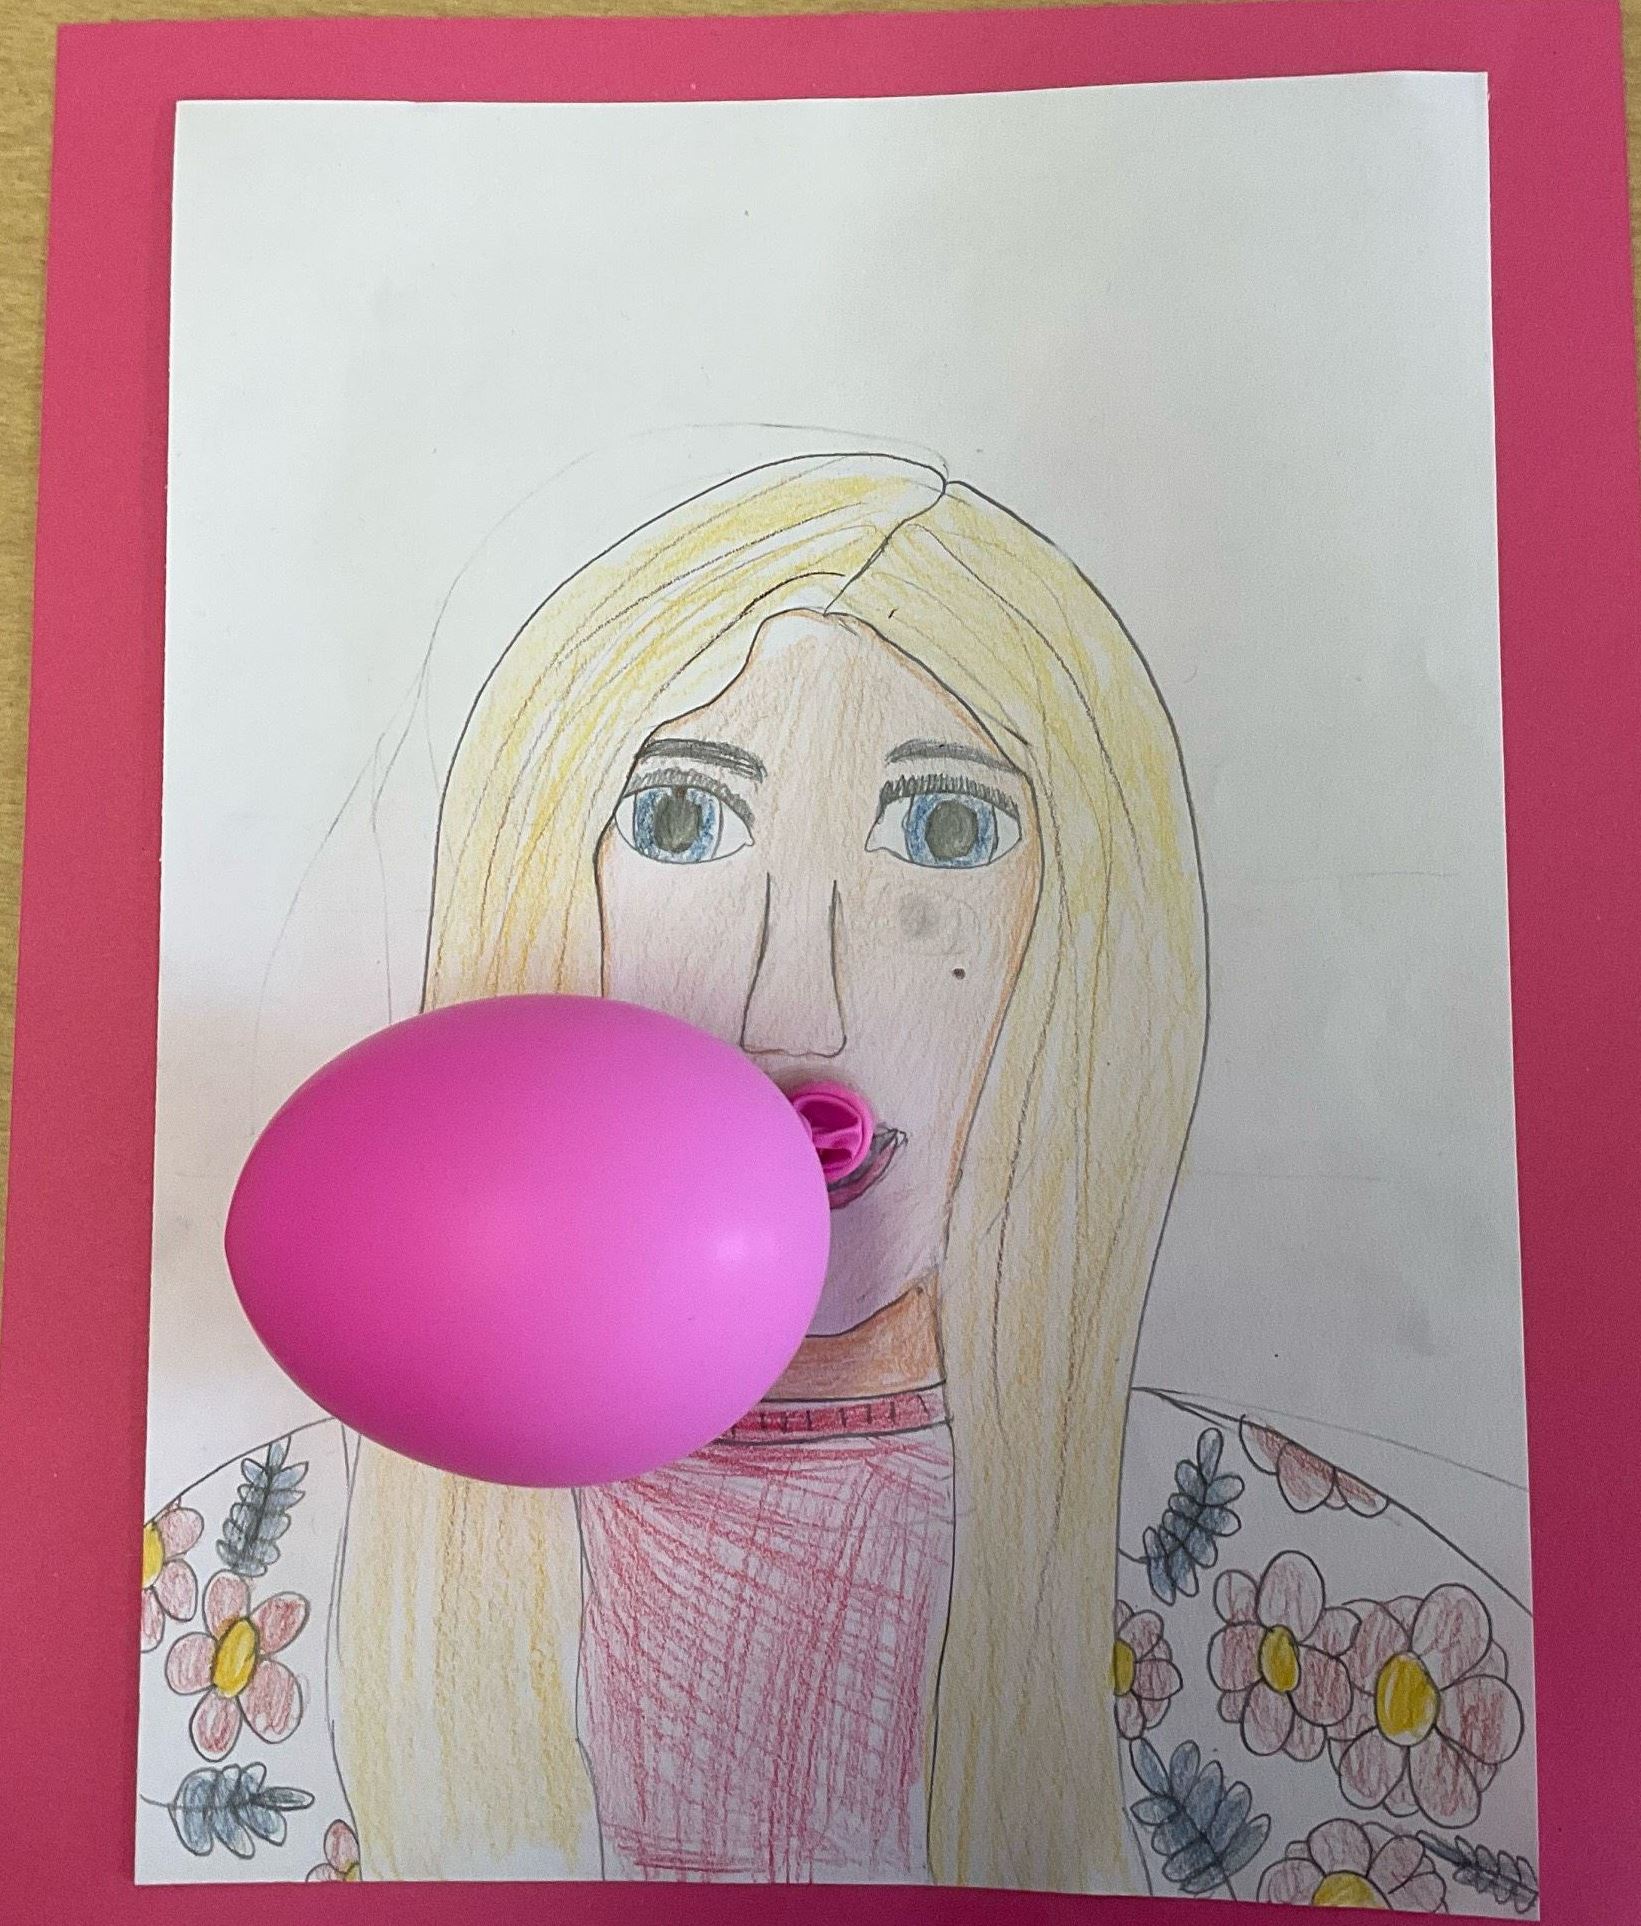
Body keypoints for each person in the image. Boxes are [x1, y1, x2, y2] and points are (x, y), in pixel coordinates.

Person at [137, 456, 1534, 1904]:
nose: (789, 1000)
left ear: (1081, 928)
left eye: (946, 830)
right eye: (679, 820)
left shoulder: (1310, 1626)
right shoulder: (233, 1608)